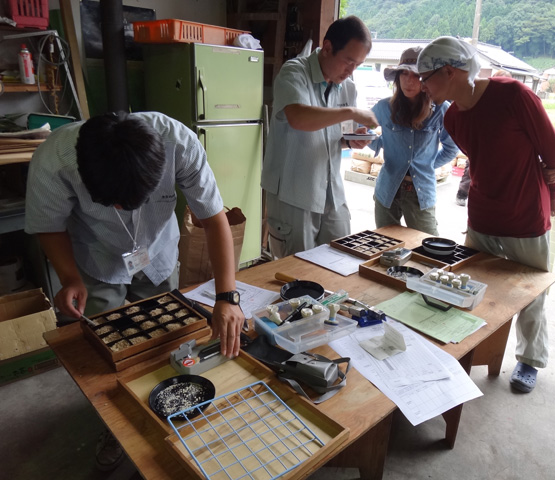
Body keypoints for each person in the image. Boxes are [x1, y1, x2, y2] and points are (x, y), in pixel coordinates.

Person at [25, 111, 245, 470]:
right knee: (109, 347)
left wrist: (227, 297)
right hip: (97, 255)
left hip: (156, 249)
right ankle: (115, 422)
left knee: (168, 337)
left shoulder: (180, 143)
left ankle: (168, 403)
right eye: (110, 203)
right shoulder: (54, 160)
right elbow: (49, 225)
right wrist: (70, 278)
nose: (120, 209)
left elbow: (213, 217)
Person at [417, 37, 555, 393]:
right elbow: (480, 160)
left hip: (525, 213)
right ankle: (471, 349)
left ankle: (530, 360)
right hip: (482, 215)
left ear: (449, 72)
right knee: (470, 288)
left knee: (531, 294)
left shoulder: (513, 95)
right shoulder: (452, 117)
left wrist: (552, 196)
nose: (423, 87)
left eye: (426, 79)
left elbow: (553, 149)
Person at [261, 15, 379, 258]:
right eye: (348, 61)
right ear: (327, 48)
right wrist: (351, 111)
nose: (351, 71)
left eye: (358, 64)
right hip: (294, 195)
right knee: (297, 277)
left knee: (343, 263)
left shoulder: (347, 87)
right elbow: (299, 118)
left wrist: (350, 139)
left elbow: (335, 133)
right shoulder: (294, 72)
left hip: (332, 194)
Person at [368, 46, 458, 235]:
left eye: (416, 76)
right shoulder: (384, 107)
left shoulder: (441, 109)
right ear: (397, 77)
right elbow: (363, 130)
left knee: (427, 248)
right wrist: (380, 144)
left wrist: (427, 164)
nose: (409, 81)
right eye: (404, 74)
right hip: (387, 190)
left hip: (421, 193)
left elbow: (451, 148)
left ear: (426, 80)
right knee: (385, 247)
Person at [455, 69, 512, 207]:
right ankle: (462, 194)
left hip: (503, 159)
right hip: (478, 152)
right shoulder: (479, 102)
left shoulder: (513, 104)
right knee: (471, 172)